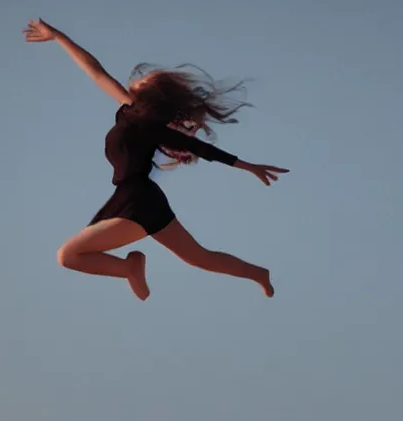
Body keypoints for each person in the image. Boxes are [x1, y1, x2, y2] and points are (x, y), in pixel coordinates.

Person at [23, 19, 289, 300]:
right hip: (137, 197)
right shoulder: (128, 110)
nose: (139, 77)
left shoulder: (149, 126)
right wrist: (58, 36)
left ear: (152, 95)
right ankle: (258, 273)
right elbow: (96, 72)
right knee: (199, 258)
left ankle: (129, 268)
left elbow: (203, 150)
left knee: (69, 255)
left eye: (147, 80)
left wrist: (249, 166)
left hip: (138, 200)